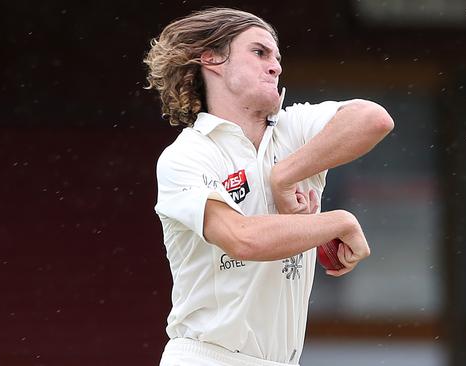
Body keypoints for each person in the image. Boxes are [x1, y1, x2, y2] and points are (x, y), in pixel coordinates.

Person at [144, 7, 394, 366]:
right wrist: (339, 222)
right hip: (208, 358)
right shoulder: (187, 155)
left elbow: (375, 119)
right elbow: (242, 238)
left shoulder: (293, 130)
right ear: (212, 59)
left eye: (277, 58)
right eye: (259, 53)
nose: (275, 66)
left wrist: (285, 174)